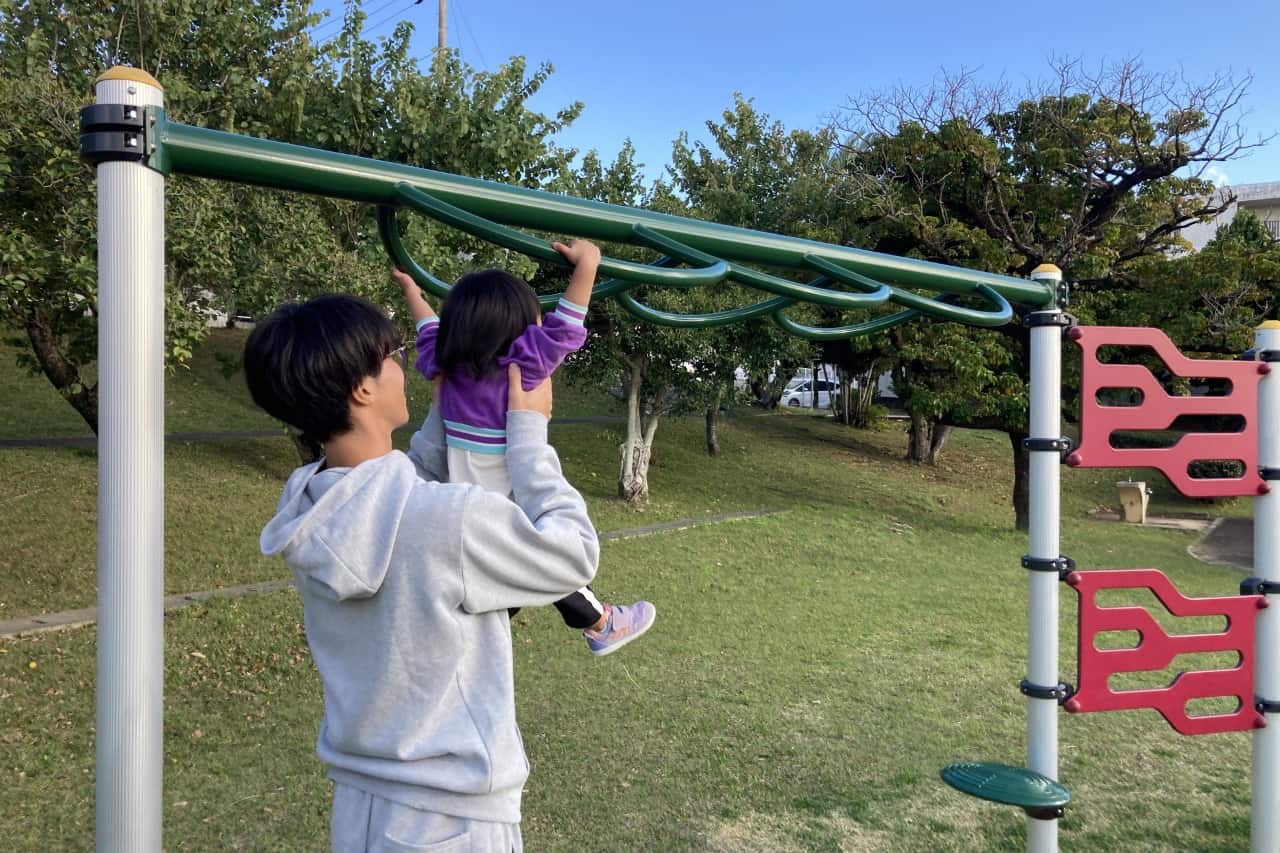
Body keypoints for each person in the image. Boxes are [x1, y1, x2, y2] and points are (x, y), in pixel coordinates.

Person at [245, 293, 596, 851]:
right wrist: (529, 435)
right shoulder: (447, 523)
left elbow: (401, 482)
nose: (404, 366)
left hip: (361, 802)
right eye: (392, 357)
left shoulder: (311, 506)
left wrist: (449, 406)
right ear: (363, 389)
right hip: (451, 817)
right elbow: (572, 556)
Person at [393, 240, 655, 656]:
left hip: (462, 513)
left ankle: (599, 622)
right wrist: (588, 264)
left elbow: (429, 329)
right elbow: (566, 327)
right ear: (521, 327)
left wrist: (412, 293)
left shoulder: (445, 365)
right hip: (508, 517)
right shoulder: (524, 364)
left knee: (505, 594)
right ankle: (601, 623)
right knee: (544, 566)